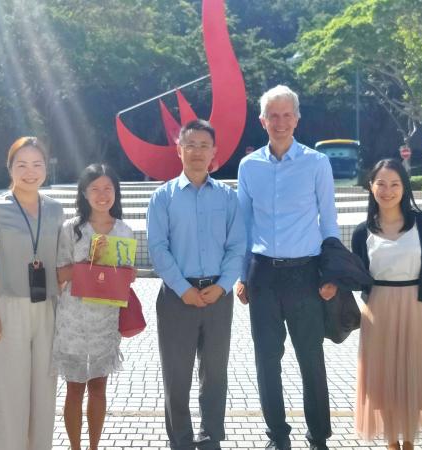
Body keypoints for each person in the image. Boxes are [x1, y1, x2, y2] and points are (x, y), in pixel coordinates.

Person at [236, 85, 339, 450]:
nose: (280, 122)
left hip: (306, 274)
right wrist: (240, 276)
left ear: (297, 118)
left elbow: (329, 223)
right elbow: (243, 227)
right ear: (263, 121)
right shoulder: (249, 167)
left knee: (311, 358)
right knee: (267, 360)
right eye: (273, 116)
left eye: (287, 115)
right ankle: (277, 437)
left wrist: (331, 275)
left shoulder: (316, 163)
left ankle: (319, 437)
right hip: (262, 275)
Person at [147, 119, 246, 450]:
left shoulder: (228, 198)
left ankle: (210, 438)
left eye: (205, 145)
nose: (197, 152)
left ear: (215, 151)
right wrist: (182, 288)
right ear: (179, 150)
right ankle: (181, 441)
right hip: (177, 297)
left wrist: (222, 286)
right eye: (190, 145)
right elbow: (158, 249)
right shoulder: (162, 198)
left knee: (215, 374)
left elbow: (237, 246)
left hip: (218, 295)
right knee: (177, 377)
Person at [351, 159, 422, 450]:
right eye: (380, 183)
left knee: (414, 376)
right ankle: (391, 441)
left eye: (395, 184)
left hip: (417, 306)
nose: (387, 190)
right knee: (382, 379)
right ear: (371, 187)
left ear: (405, 188)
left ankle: (408, 440)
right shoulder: (362, 231)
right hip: (379, 309)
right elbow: (360, 275)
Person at [0, 137, 64, 450]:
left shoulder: (55, 210)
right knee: (9, 393)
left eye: (37, 164)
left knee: (44, 392)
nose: (30, 171)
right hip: (9, 309)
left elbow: (62, 262)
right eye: (21, 164)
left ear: (46, 168)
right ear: (10, 168)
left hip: (48, 309)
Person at [51, 163, 135, 450]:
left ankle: (93, 447)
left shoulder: (125, 231)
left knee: (98, 388)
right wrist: (87, 262)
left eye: (108, 188)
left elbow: (129, 275)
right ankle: (76, 447)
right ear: (84, 194)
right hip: (73, 320)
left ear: (116, 192)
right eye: (95, 189)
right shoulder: (71, 229)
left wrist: (122, 272)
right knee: (74, 388)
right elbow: (58, 274)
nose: (102, 195)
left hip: (105, 320)